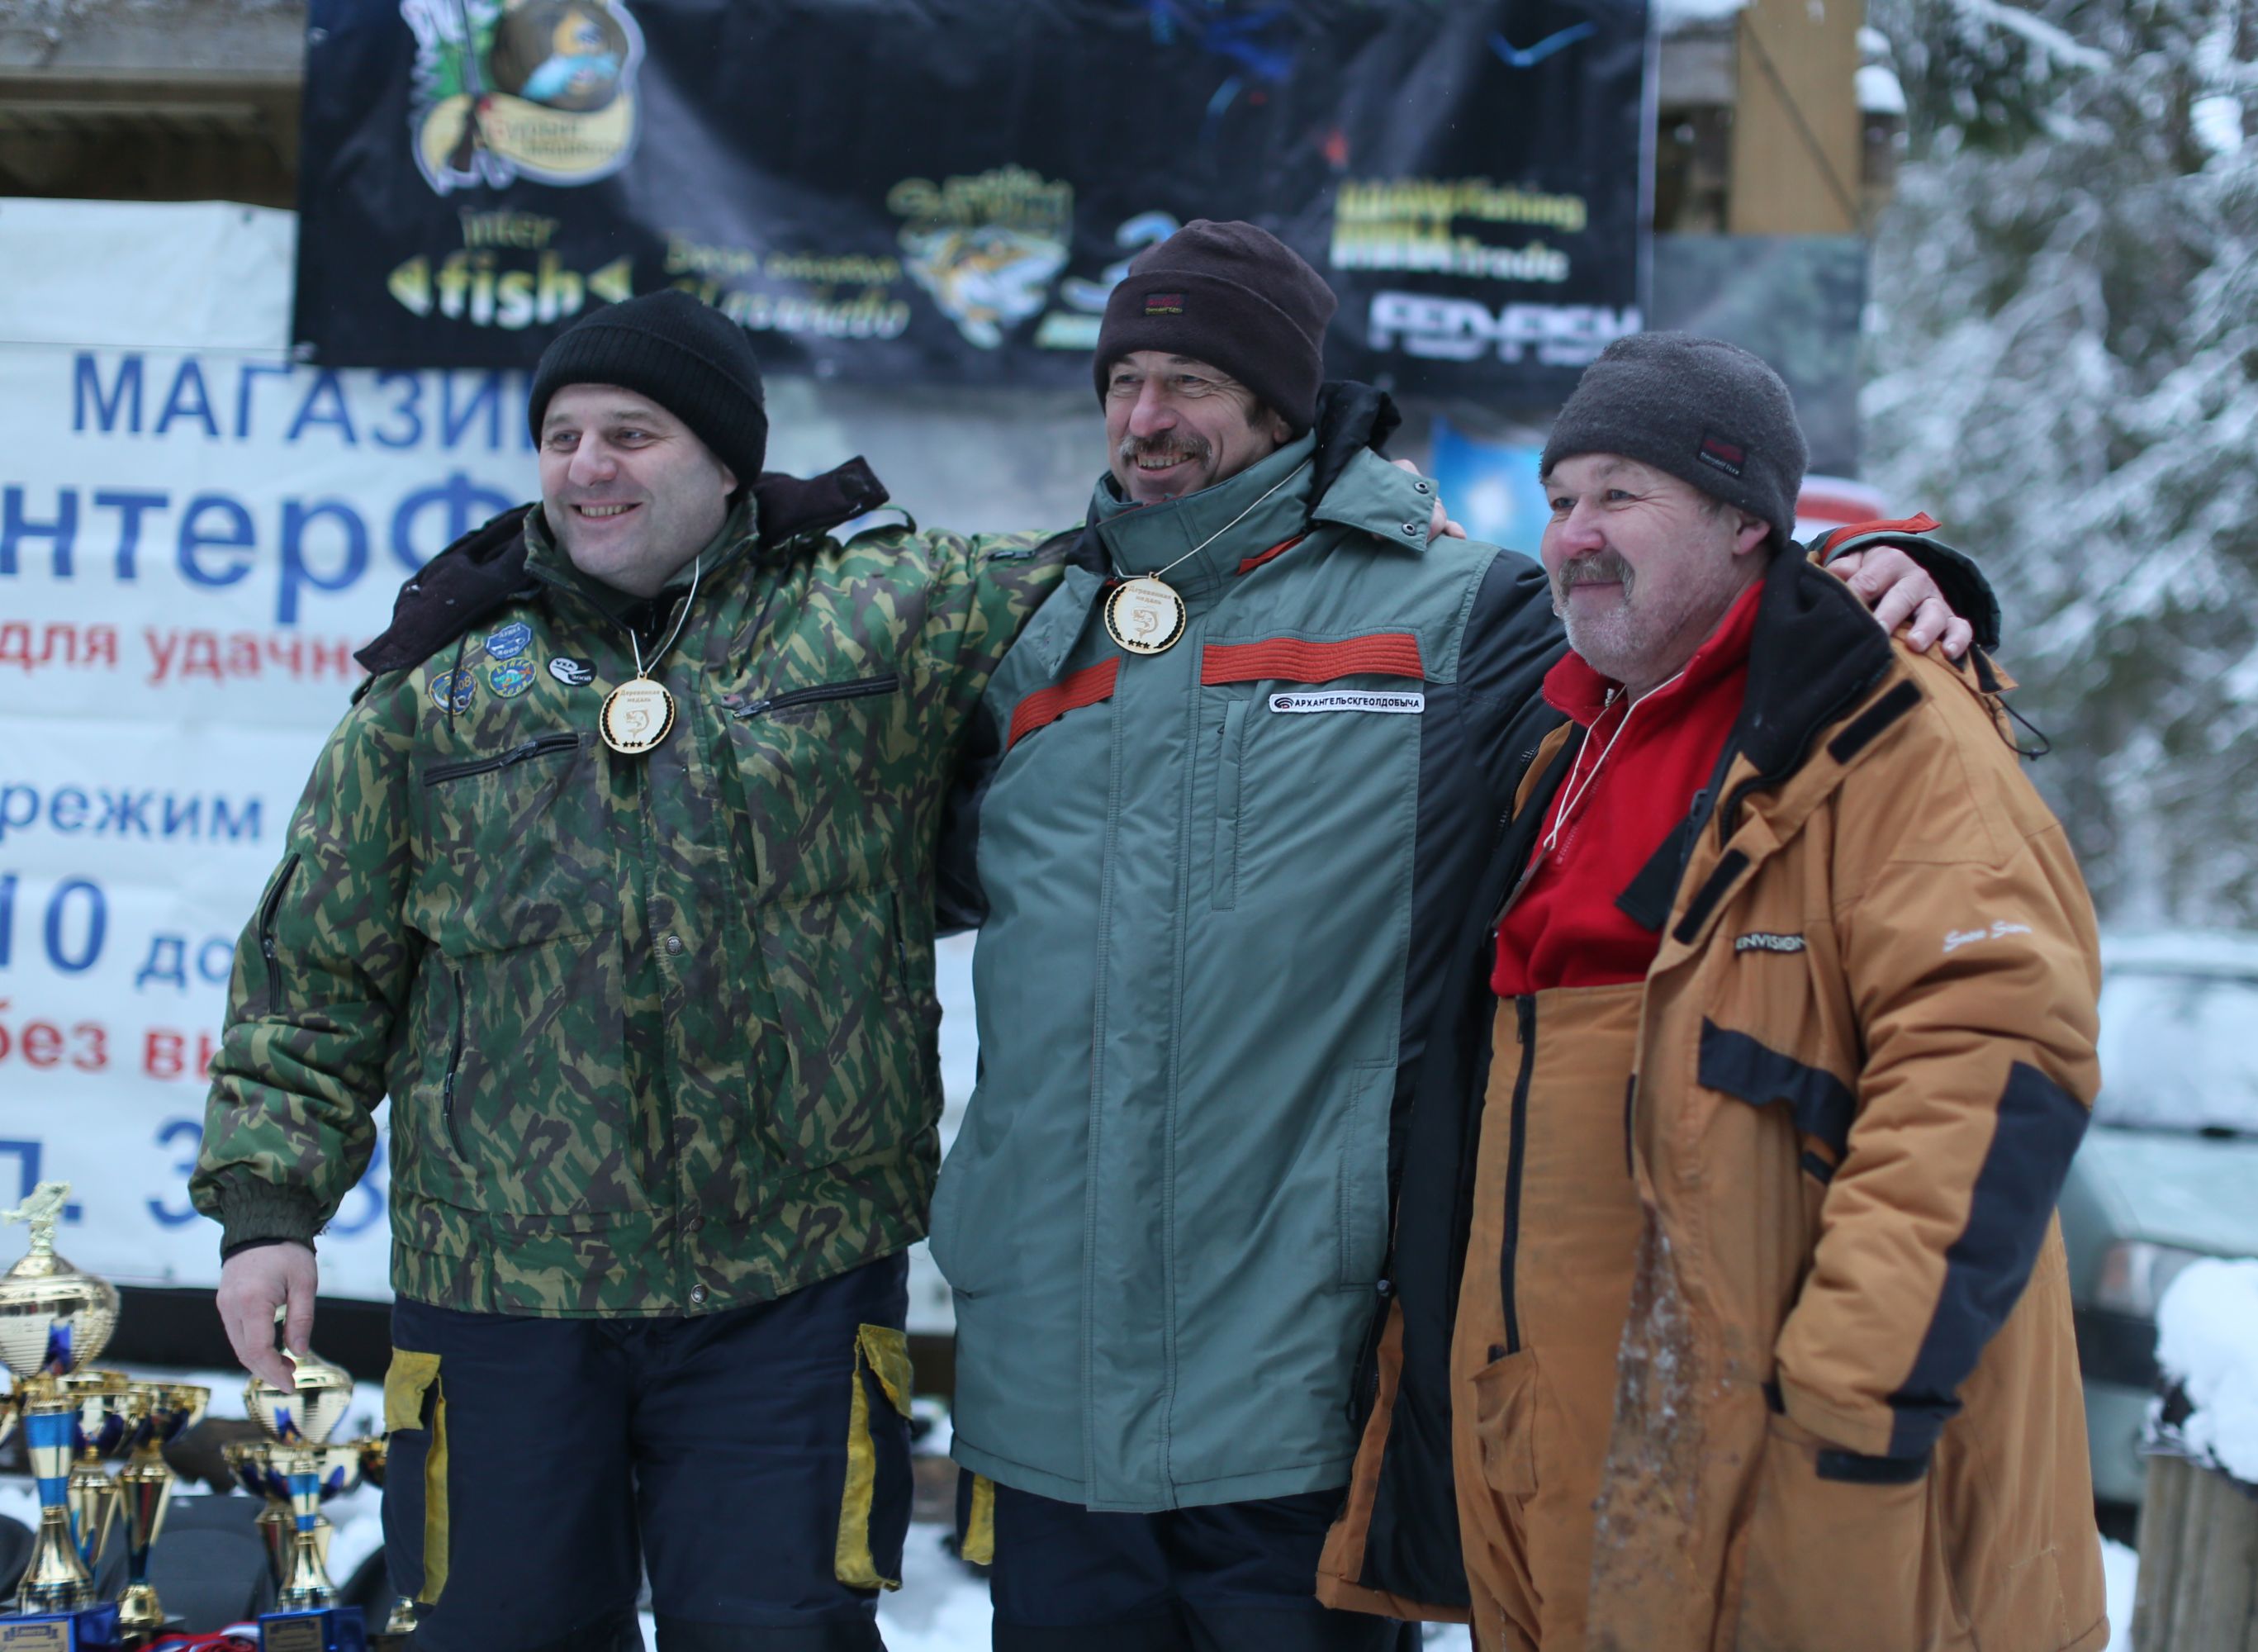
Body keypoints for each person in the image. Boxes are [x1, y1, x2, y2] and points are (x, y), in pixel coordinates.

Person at [928, 226, 1992, 1651]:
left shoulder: (1462, 615)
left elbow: (1688, 645)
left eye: (1190, 381)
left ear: (1280, 401)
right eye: (1122, 380)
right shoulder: (1032, 627)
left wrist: (1882, 572)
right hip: (1045, 1381)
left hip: (1299, 1386)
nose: (1145, 418)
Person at [192, 290, 1070, 1652]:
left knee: (782, 1639)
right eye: (562, 436)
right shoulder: (440, 687)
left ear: (726, 460)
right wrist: (268, 1210)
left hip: (788, 1283)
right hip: (502, 1294)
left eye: (631, 433)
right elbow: (314, 974)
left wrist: (1332, 530)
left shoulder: (880, 613)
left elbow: (1129, 577)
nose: (587, 467)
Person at [1322, 334, 2107, 1652]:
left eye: (1621, 494)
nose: (1574, 534)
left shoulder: (1876, 721)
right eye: (1560, 499)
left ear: (1748, 522)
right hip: (1563, 1481)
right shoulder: (1563, 739)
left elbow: (1991, 1064)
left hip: (1791, 1486)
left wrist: (1852, 1412)